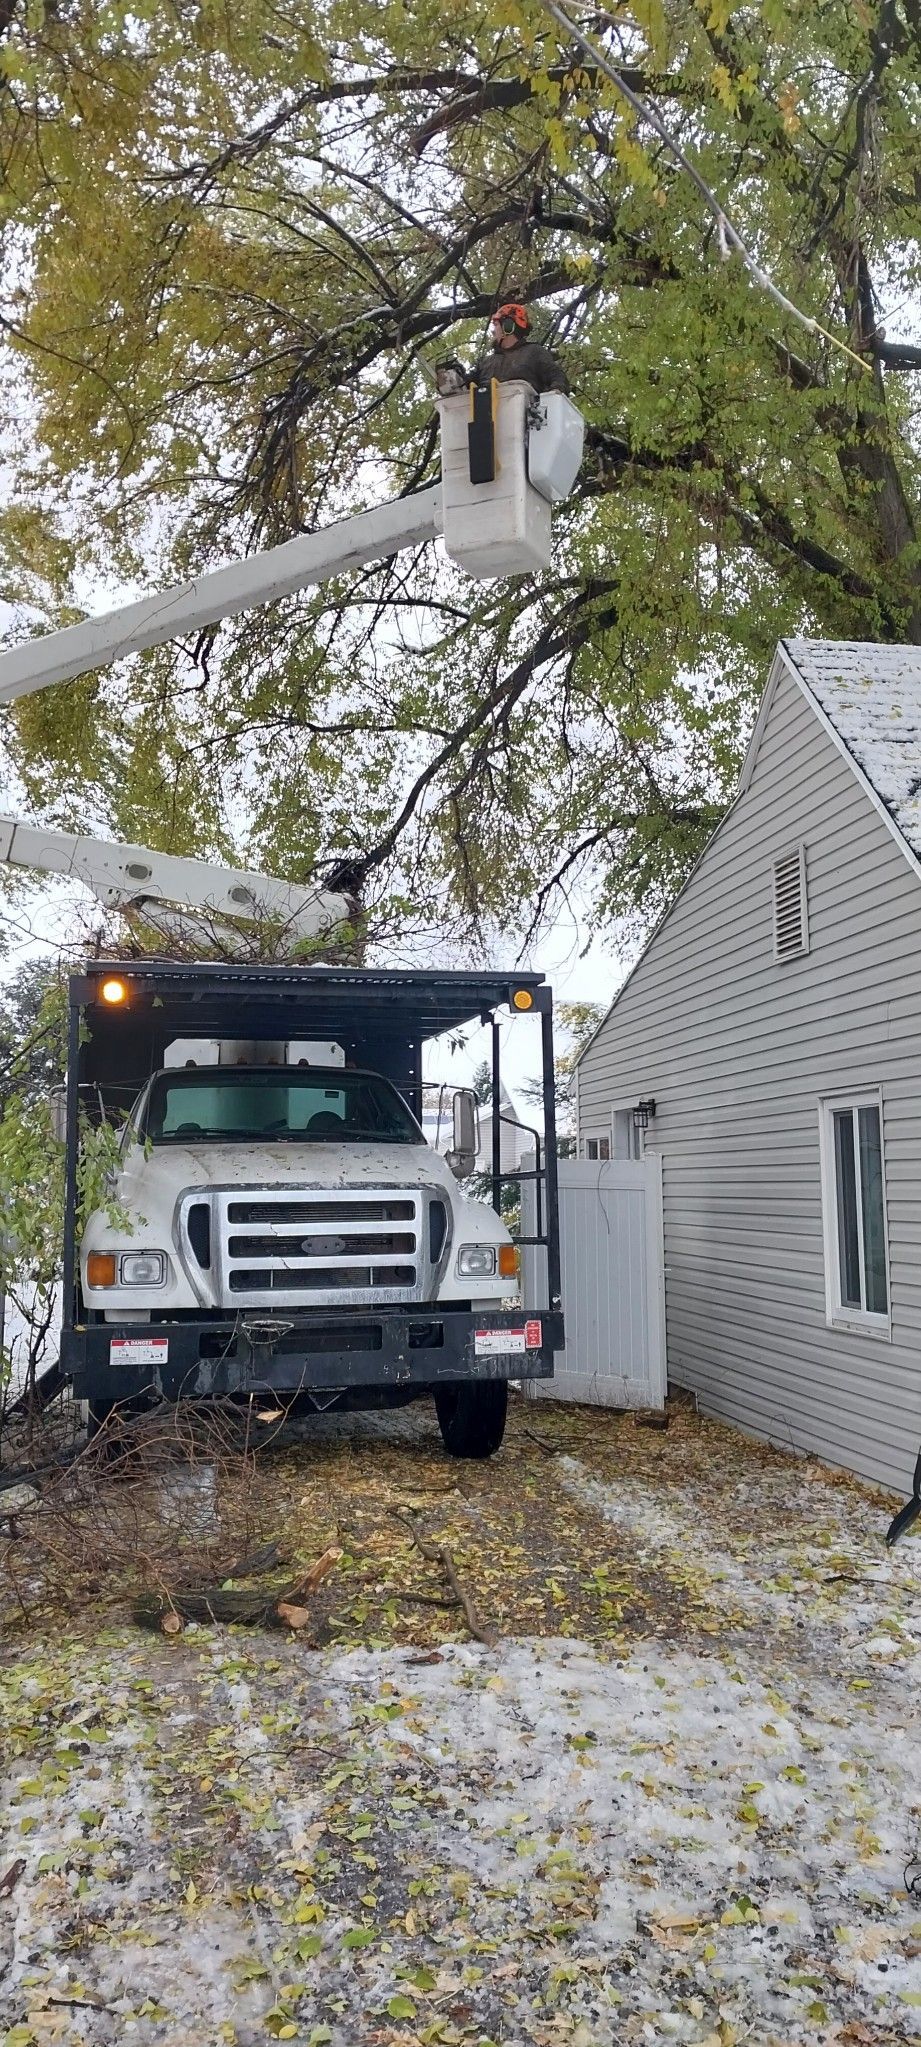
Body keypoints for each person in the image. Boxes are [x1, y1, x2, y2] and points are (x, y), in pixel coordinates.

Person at [434, 302, 569, 397]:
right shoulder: (486, 362)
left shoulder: (534, 353)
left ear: (508, 326)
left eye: (496, 325)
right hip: (486, 426)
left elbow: (557, 378)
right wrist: (450, 380)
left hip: (526, 426)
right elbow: (465, 388)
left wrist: (554, 394)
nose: (493, 332)